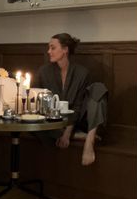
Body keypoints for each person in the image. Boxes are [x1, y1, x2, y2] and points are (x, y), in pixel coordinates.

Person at [34, 33, 108, 166]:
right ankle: (77, 135)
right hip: (52, 122)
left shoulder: (81, 72)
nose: (48, 51)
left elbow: (79, 106)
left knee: (98, 88)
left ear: (65, 49)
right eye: (49, 48)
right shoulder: (43, 71)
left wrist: (67, 133)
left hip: (77, 120)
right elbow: (36, 102)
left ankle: (89, 140)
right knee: (37, 127)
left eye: (52, 48)